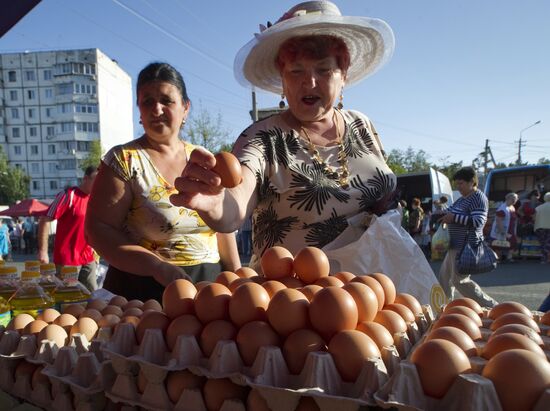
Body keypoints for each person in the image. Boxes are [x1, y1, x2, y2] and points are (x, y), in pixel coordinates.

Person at [169, 1, 397, 272]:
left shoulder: (362, 125)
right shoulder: (263, 139)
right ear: (282, 80)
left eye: (324, 70)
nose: (309, 82)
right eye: (296, 70)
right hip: (295, 302)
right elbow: (237, 200)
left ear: (343, 75)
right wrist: (217, 203)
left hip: (378, 286)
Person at [85, 62, 241, 302]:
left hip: (208, 290)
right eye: (147, 101)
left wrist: (238, 280)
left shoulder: (202, 157)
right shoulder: (123, 160)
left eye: (166, 100)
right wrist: (155, 266)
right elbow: (98, 231)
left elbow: (223, 230)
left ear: (185, 108)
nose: (156, 109)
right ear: (139, 110)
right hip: (141, 291)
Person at [438, 167, 498, 307]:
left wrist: (454, 217)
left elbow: (478, 221)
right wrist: (441, 214)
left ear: (472, 182)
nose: (458, 187)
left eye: (461, 183)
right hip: (454, 245)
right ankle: (445, 306)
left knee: (460, 281)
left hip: (465, 246)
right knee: (444, 278)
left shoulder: (478, 198)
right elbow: (450, 212)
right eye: (457, 184)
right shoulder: (462, 200)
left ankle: (492, 306)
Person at [38, 166, 99, 292]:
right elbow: (45, 220)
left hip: (88, 257)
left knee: (93, 296)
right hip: (67, 260)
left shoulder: (95, 199)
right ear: (85, 178)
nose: (99, 185)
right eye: (96, 180)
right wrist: (43, 252)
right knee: (67, 298)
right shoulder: (68, 195)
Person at [489, 192, 519, 262]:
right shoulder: (502, 208)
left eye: (516, 199)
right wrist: (503, 232)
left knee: (512, 243)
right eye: (513, 199)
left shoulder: (512, 207)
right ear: (507, 198)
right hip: (501, 230)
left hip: (510, 229)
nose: (515, 200)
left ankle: (509, 257)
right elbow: (499, 221)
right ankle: (497, 258)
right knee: (498, 244)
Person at [534, 192, 550, 265]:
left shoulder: (538, 208)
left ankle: (544, 259)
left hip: (540, 227)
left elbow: (534, 218)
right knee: (548, 243)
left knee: (543, 243)